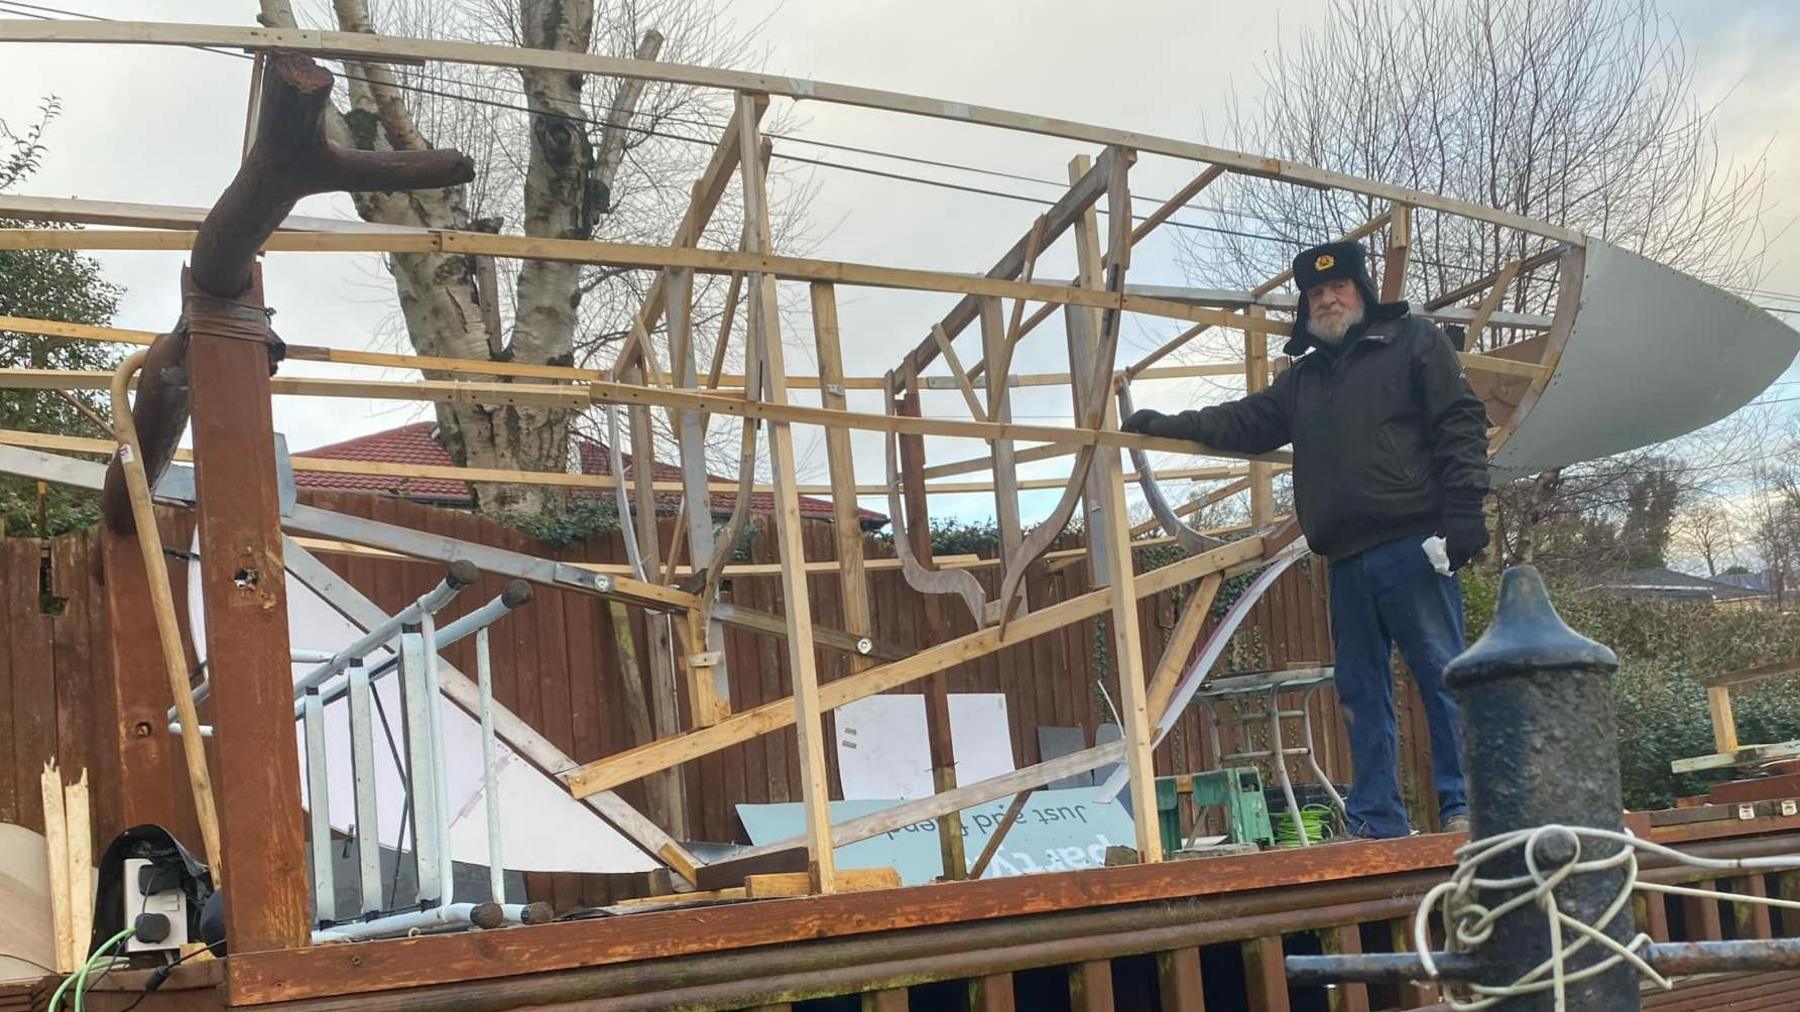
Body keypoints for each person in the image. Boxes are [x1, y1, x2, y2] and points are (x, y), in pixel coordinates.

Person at [1122, 240, 1490, 839]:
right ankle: (1377, 819)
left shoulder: (1414, 343)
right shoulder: (1303, 381)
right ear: (1306, 308)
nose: (1328, 298)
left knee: (1442, 674)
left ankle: (1465, 806)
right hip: (1346, 558)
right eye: (1316, 294)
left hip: (1413, 543)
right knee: (1361, 691)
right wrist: (1169, 427)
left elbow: (1461, 422)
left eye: (1339, 287)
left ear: (1363, 292)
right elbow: (1243, 421)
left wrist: (1466, 511)